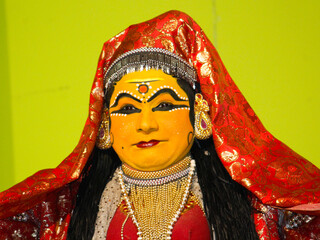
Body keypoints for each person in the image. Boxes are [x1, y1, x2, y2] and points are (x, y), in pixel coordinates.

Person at [0, 10, 319, 240]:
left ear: (199, 114)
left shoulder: (257, 207)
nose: (146, 124)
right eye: (127, 109)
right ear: (106, 124)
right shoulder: (64, 212)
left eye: (164, 105)